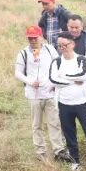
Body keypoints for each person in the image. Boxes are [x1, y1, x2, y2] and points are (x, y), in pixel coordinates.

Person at [49, 33, 86, 171]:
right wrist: (71, 80)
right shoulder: (56, 62)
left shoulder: (82, 59)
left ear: (72, 44)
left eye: (65, 45)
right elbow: (53, 79)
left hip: (82, 103)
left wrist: (63, 77)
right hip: (64, 104)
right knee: (69, 133)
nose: (62, 48)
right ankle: (75, 160)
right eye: (59, 46)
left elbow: (82, 76)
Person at [14, 25, 66, 162]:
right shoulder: (23, 53)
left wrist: (54, 83)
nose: (32, 40)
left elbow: (58, 65)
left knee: (54, 122)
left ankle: (59, 150)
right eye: (30, 38)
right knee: (36, 124)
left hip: (49, 93)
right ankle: (40, 152)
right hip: (33, 95)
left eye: (35, 38)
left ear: (41, 37)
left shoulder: (50, 49)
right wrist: (30, 81)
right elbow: (18, 72)